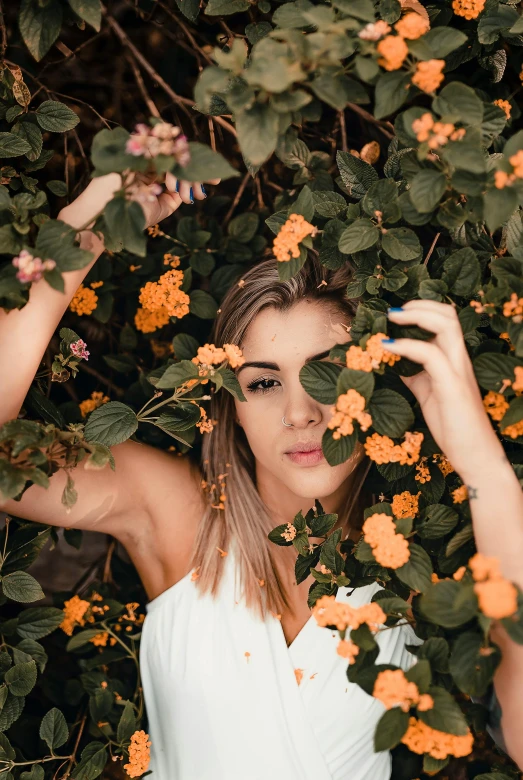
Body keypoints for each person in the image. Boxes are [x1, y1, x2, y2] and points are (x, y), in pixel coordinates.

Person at [1, 170, 522, 779]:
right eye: (266, 382)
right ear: (232, 404)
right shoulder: (180, 519)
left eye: (327, 374)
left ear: (374, 384)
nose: (301, 412)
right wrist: (82, 236)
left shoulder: (419, 569)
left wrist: (481, 459)